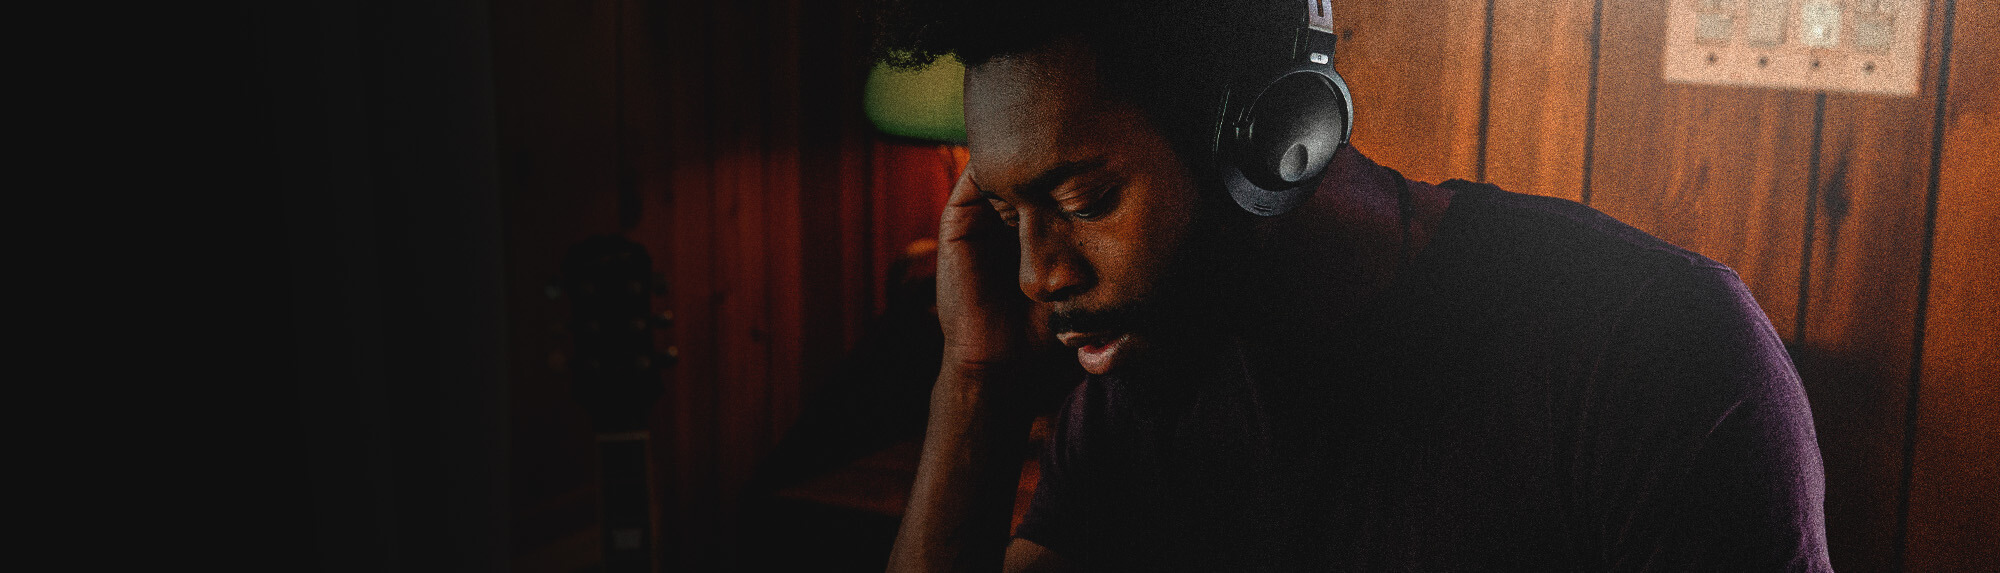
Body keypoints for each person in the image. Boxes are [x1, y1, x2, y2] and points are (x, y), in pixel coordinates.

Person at [875, 1, 1833, 571]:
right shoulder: (1137, 391)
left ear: (1273, 139)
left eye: (1084, 197)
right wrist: (975, 385)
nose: (1041, 274)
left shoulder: (1657, 357)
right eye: (1007, 217)